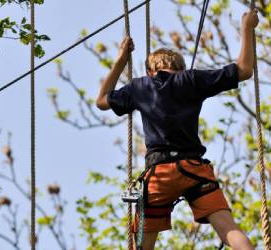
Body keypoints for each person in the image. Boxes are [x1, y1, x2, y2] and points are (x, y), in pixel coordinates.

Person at [95, 9, 259, 250]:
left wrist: (121, 59)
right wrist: (247, 27)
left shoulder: (140, 86)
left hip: (158, 176)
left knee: (141, 245)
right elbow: (244, 70)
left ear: (151, 70)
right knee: (228, 229)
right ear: (179, 68)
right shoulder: (191, 79)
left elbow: (101, 100)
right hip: (194, 170)